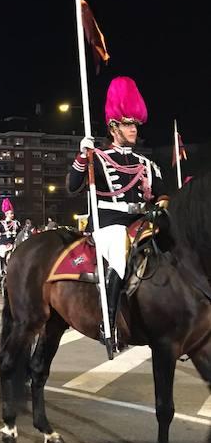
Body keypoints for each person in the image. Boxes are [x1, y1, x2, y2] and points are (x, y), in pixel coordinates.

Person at [67, 76, 168, 353]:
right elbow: (72, 187)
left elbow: (162, 194)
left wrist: (161, 205)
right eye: (127, 123)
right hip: (109, 223)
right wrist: (82, 157)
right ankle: (108, 322)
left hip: (140, 221)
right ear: (114, 127)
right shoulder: (98, 158)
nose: (134, 129)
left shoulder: (145, 163)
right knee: (119, 253)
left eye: (135, 124)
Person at [0, 199, 21, 270]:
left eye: (13, 213)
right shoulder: (0, 224)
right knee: (0, 254)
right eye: (11, 213)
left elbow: (19, 233)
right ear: (6, 214)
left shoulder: (16, 223)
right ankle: (2, 269)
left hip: (14, 243)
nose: (12, 215)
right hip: (3, 244)